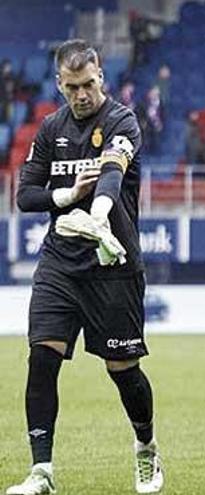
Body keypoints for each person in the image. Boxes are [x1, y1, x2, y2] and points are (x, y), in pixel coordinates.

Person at [7, 39, 162, 495]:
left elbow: (112, 168)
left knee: (122, 369)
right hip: (60, 261)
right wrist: (67, 198)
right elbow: (25, 195)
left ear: (102, 78)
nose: (82, 94)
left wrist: (97, 213)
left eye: (89, 84)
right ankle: (42, 472)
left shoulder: (121, 120)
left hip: (112, 260)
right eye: (73, 87)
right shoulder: (50, 129)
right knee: (41, 358)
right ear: (59, 83)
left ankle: (146, 447)